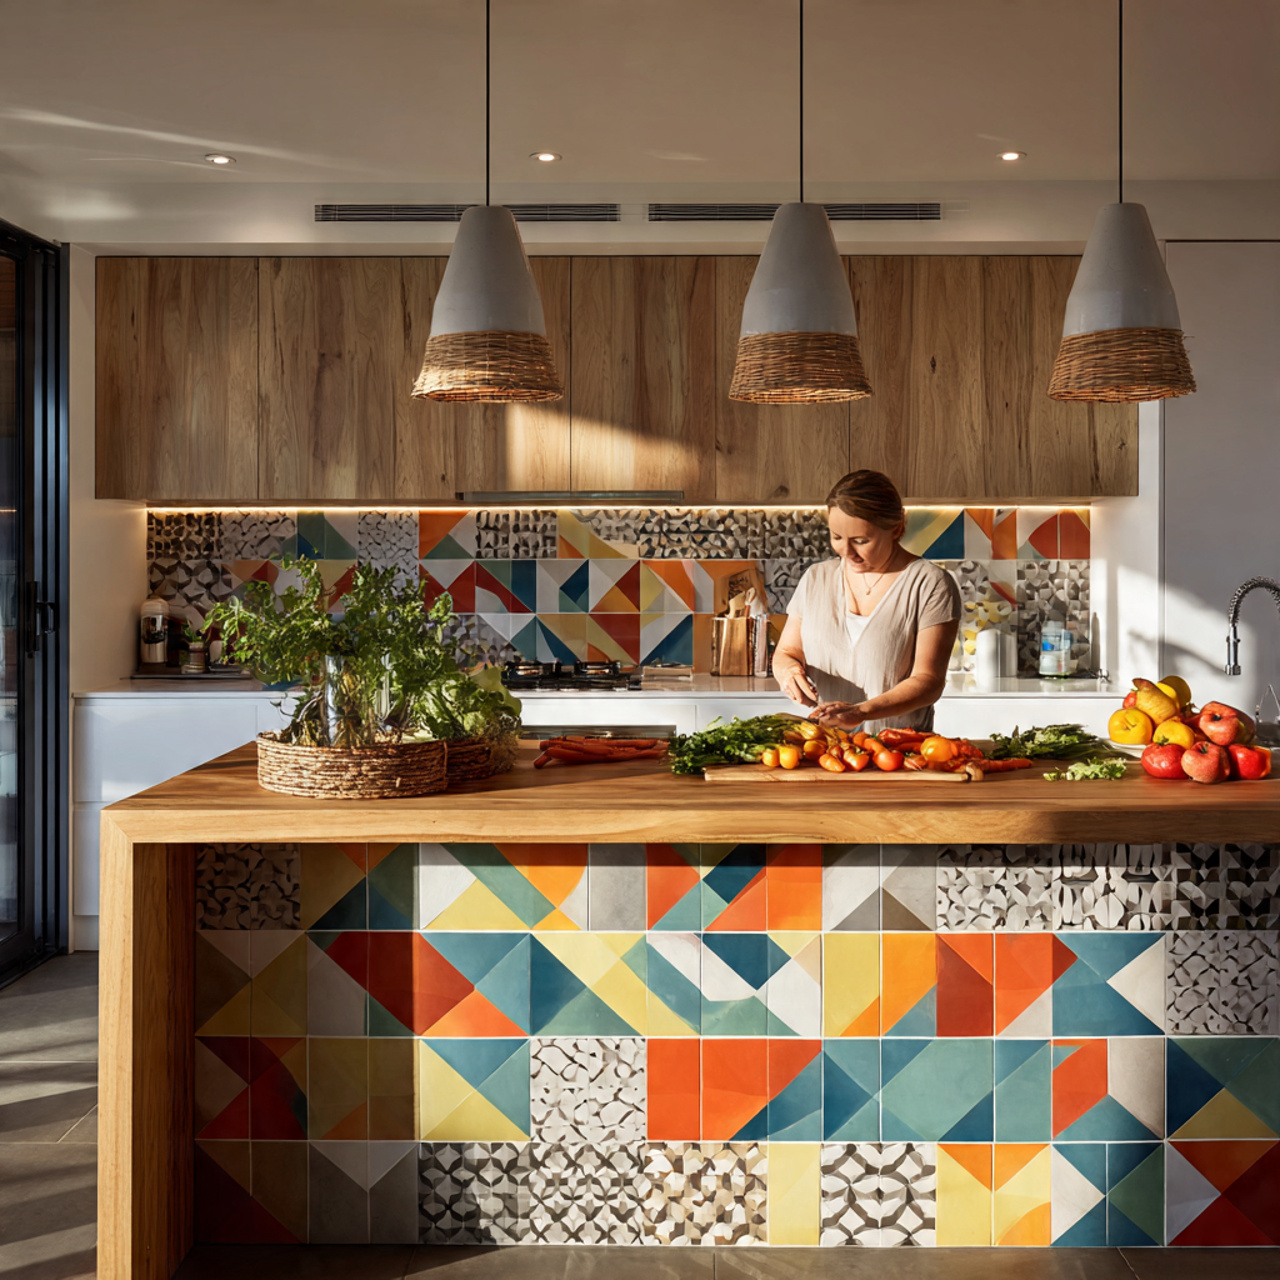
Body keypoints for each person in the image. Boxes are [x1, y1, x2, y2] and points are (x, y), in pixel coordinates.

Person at [772, 469, 960, 733]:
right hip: (824, 750)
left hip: (897, 754)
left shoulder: (930, 584)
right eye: (836, 537)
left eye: (861, 541)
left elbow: (928, 681)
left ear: (897, 528)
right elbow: (786, 652)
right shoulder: (816, 578)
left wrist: (861, 712)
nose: (846, 552)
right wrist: (788, 672)